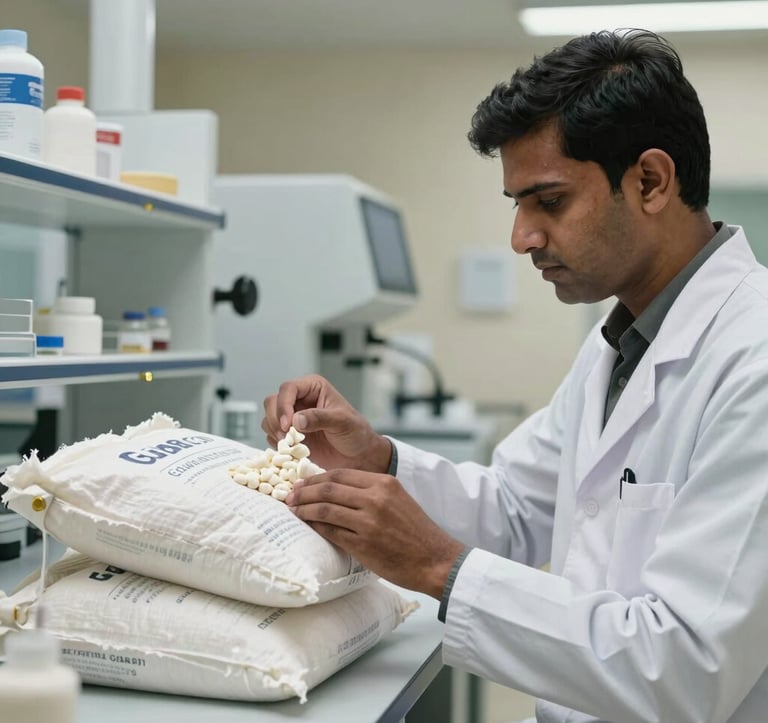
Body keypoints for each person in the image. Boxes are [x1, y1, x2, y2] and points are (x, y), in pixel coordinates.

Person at [261, 29, 768, 723]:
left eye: (548, 201)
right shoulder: (618, 343)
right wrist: (375, 459)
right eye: (517, 205)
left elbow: (684, 666)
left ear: (650, 181)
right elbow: (514, 508)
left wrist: (438, 567)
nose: (521, 237)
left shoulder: (753, 358)